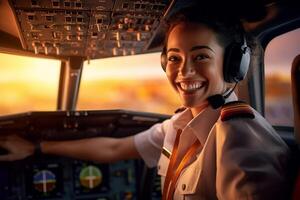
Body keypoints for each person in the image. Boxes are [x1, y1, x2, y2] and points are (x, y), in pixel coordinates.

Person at [0, 6, 290, 200]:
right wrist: (36, 148)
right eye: (174, 58)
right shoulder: (177, 126)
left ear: (233, 65)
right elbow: (114, 148)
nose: (184, 72)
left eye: (201, 56)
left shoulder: (238, 138)